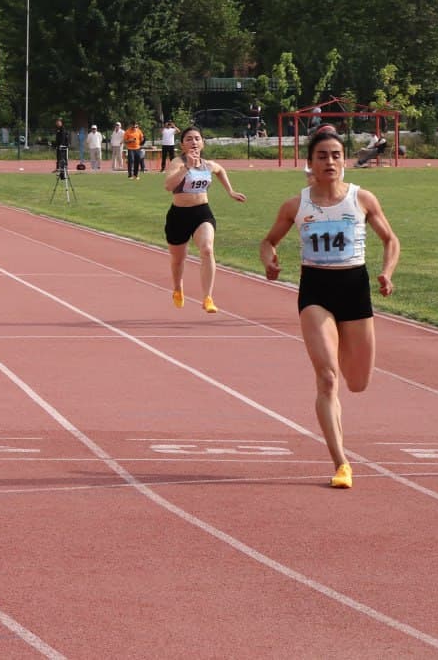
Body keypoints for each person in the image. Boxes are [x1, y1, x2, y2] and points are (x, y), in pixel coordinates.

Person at [260, 127, 399, 489]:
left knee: (358, 383)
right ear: (310, 163)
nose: (330, 162)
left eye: (336, 155)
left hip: (355, 288)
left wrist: (387, 272)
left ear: (344, 161)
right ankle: (341, 463)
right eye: (322, 156)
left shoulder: (362, 199)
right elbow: (268, 241)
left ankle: (343, 354)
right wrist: (270, 261)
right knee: (327, 378)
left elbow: (390, 240)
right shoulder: (297, 205)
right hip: (316, 289)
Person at [163, 126, 246, 314]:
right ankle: (177, 287)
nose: (194, 142)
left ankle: (207, 297)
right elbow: (168, 186)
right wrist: (187, 168)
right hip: (179, 215)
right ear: (182, 145)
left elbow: (220, 170)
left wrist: (230, 191)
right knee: (178, 259)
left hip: (202, 213)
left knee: (207, 249)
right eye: (189, 139)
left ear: (203, 143)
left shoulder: (208, 164)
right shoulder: (178, 162)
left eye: (197, 139)